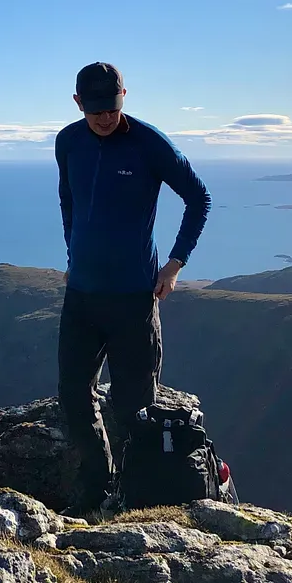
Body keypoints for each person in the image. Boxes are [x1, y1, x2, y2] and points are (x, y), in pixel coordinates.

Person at [54, 61, 211, 514]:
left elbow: (199, 198)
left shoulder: (149, 143)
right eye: (96, 109)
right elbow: (69, 200)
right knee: (74, 396)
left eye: (114, 106)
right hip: (82, 294)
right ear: (79, 103)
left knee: (134, 406)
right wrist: (73, 255)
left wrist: (175, 264)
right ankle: (97, 489)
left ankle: (138, 494)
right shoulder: (68, 141)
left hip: (133, 298)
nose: (106, 117)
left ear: (125, 96)